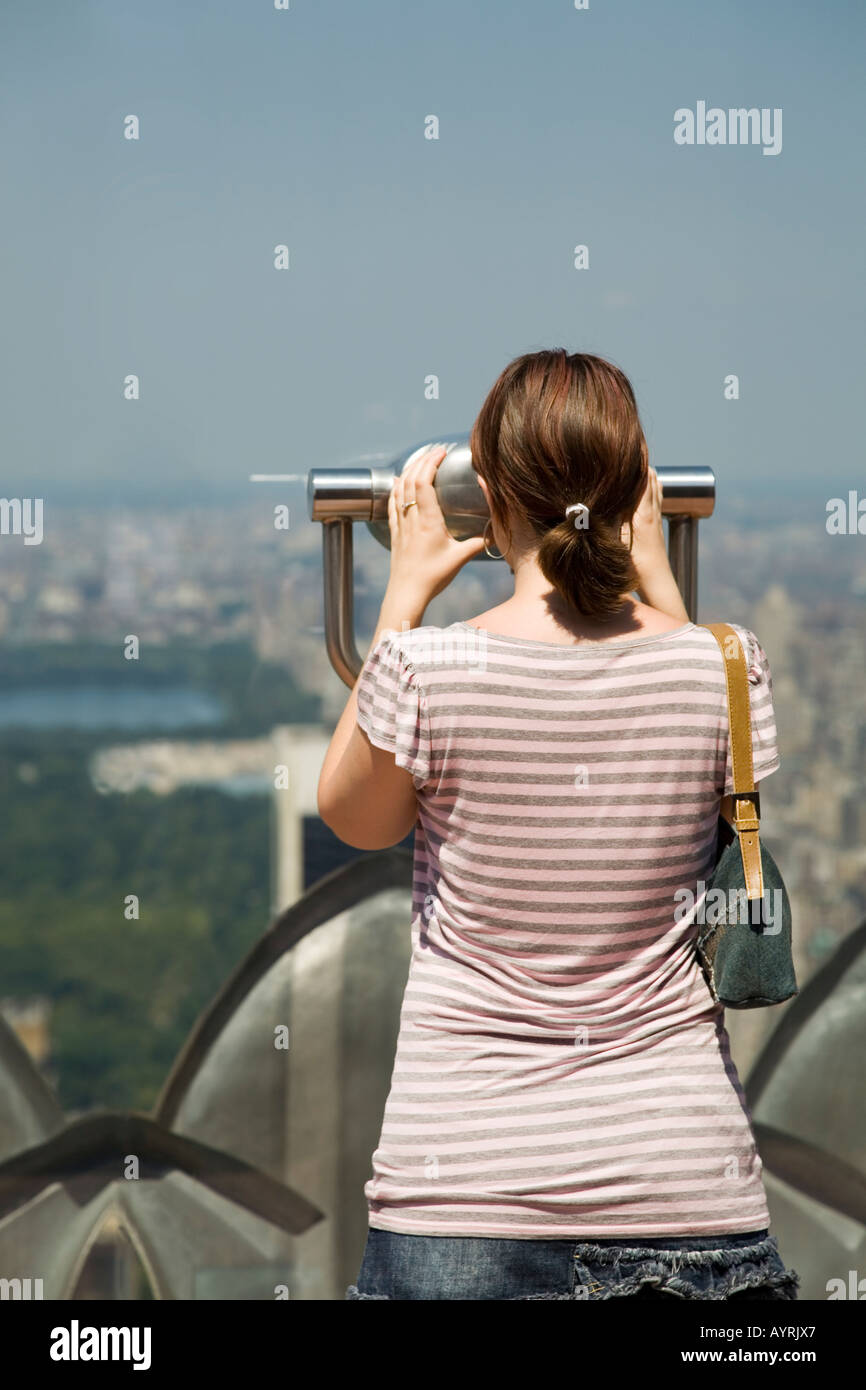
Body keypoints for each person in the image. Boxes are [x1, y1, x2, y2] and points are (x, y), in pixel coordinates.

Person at [317, 348, 801, 1301]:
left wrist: (404, 593)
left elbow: (354, 815)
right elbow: (709, 784)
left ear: (488, 501)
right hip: (686, 1192)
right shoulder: (725, 666)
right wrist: (656, 576)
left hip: (463, 1198)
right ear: (633, 496)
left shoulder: (430, 671)